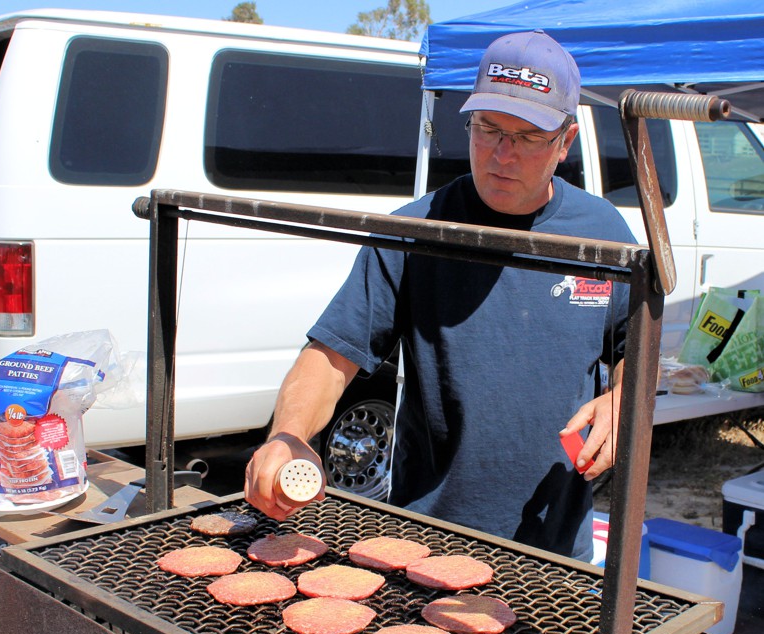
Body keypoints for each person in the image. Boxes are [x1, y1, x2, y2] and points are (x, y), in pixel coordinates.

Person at [244, 29, 634, 561]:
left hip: (555, 546)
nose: (501, 154)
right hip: (422, 539)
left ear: (565, 143)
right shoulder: (415, 230)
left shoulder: (603, 233)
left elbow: (638, 350)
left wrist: (622, 399)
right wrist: (288, 434)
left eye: (526, 137)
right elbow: (330, 356)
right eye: (488, 128)